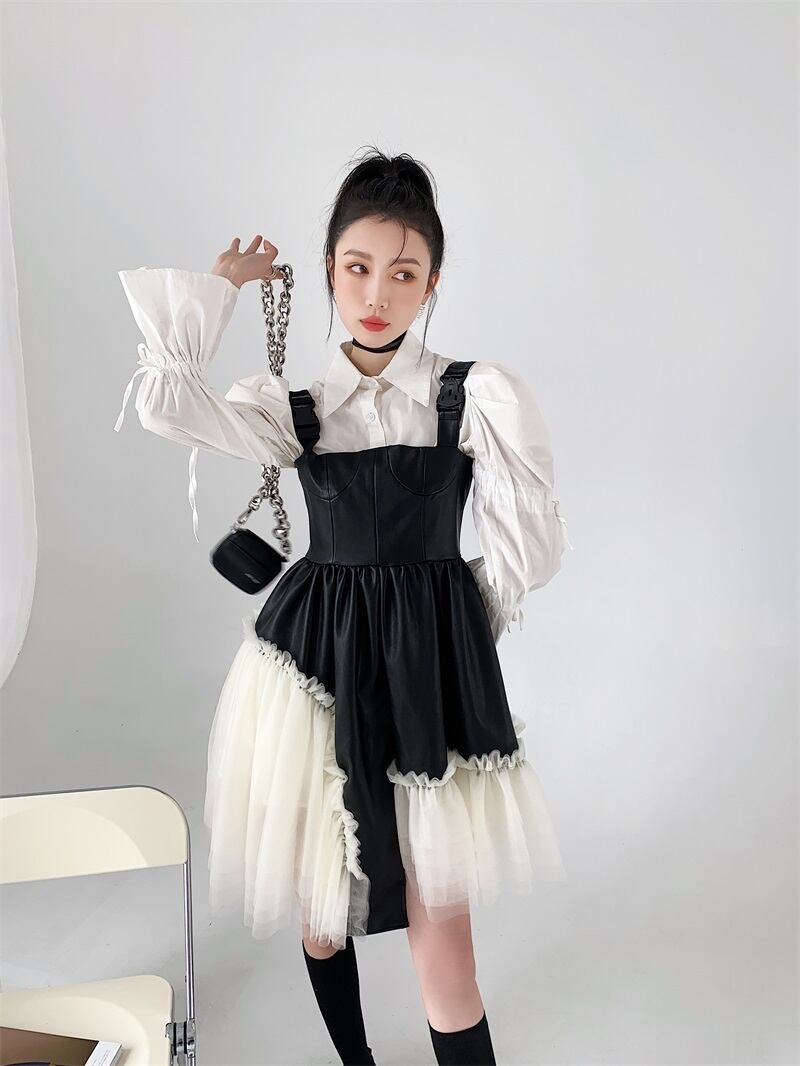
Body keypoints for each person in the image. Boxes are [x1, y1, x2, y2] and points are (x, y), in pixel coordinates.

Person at [113, 148, 572, 1066]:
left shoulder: (471, 395)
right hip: (314, 667)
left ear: (432, 282)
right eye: (358, 267)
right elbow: (166, 404)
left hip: (427, 674)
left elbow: (532, 548)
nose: (376, 294)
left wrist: (454, 623)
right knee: (324, 907)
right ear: (328, 269)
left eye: (403, 273)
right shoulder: (293, 406)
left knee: (443, 932)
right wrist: (222, 287)